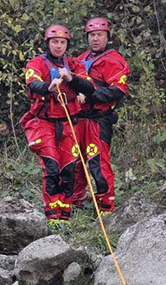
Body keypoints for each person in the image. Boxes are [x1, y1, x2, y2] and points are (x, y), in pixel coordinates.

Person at [21, 24, 96, 224]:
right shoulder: (36, 63)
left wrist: (71, 79)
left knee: (69, 169)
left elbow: (89, 87)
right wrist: (49, 87)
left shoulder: (73, 65)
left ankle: (65, 213)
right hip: (44, 122)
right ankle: (52, 213)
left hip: (69, 123)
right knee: (52, 167)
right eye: (55, 42)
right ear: (48, 43)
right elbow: (32, 83)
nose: (58, 46)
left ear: (67, 45)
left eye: (62, 42)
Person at [72, 17, 130, 213]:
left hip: (98, 119)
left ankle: (106, 207)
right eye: (92, 35)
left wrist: (89, 97)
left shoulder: (114, 60)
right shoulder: (79, 60)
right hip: (79, 119)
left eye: (99, 35)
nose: (95, 39)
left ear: (107, 37)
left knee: (98, 163)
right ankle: (76, 202)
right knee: (75, 161)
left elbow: (117, 91)